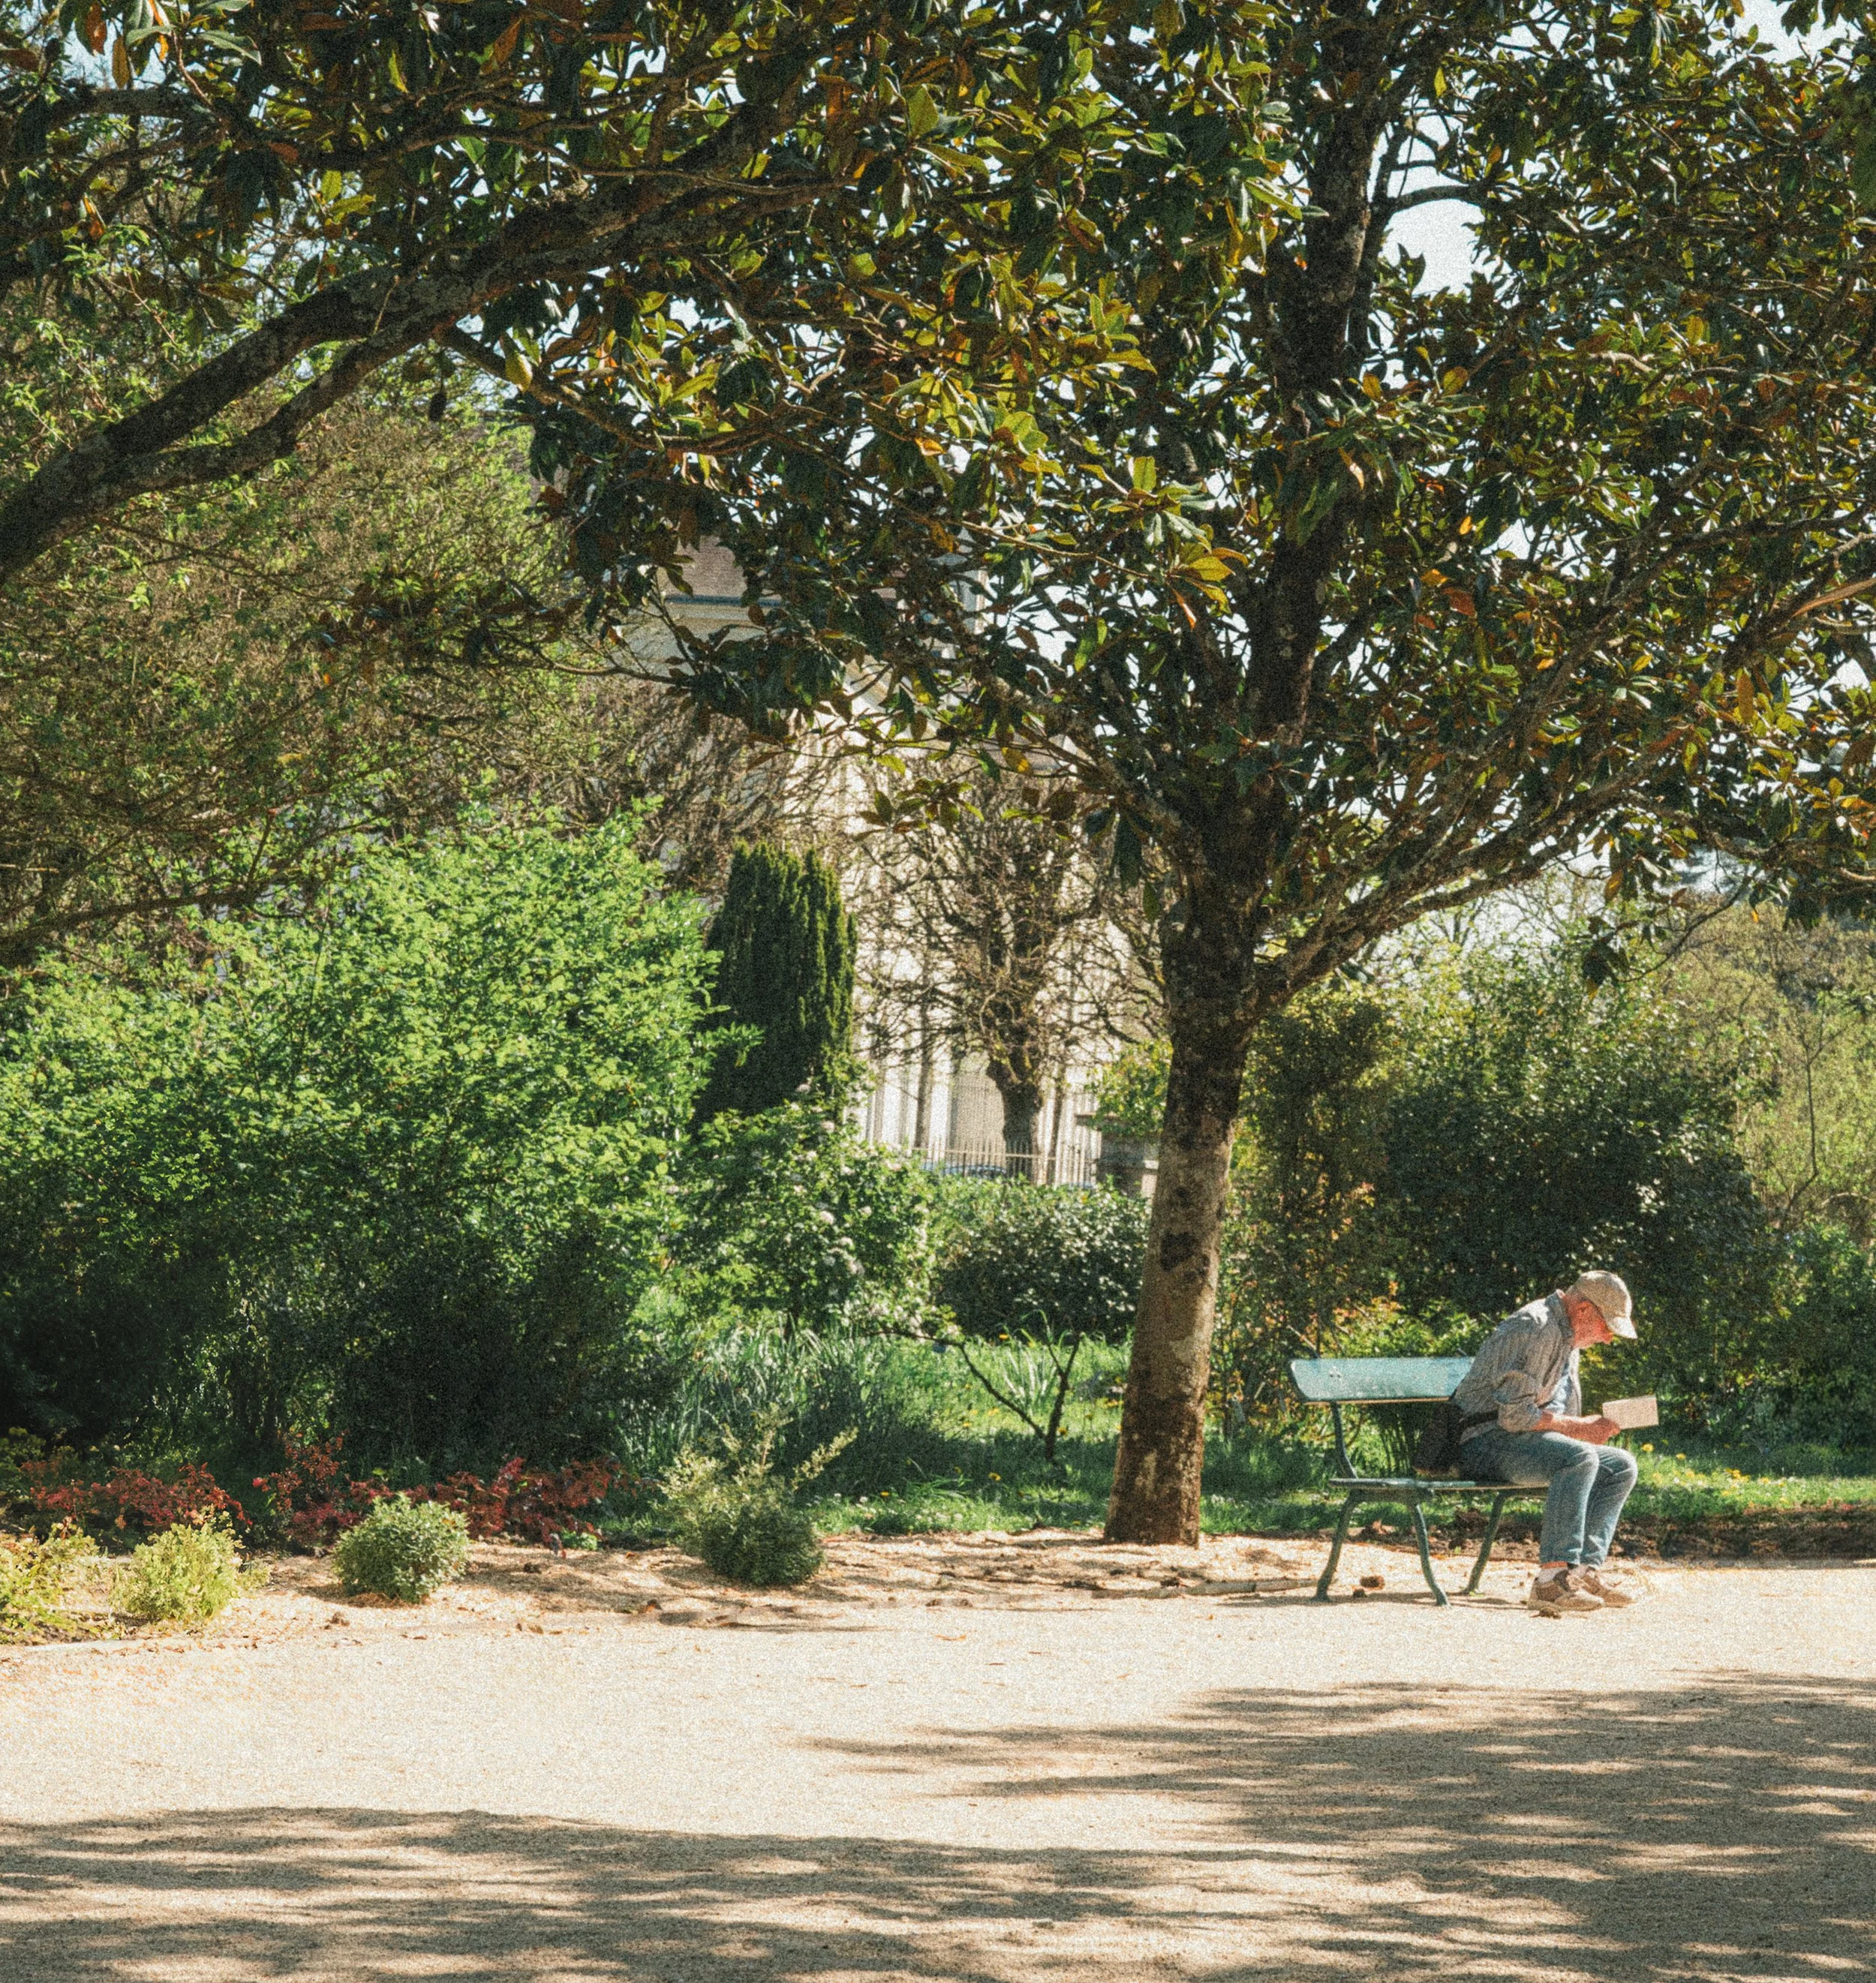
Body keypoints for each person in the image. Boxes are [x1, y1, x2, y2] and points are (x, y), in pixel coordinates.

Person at [1449, 1269, 1641, 1615]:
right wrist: (1581, 1430)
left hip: (1517, 1441)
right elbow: (1515, 1418)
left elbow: (1555, 1416)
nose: (1608, 1339)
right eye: (1606, 1327)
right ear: (1583, 1310)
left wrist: (1586, 1428)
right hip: (1481, 1442)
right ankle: (1551, 1581)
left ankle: (1582, 1573)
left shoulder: (1567, 1336)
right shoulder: (1536, 1327)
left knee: (1620, 1466)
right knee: (1579, 1457)